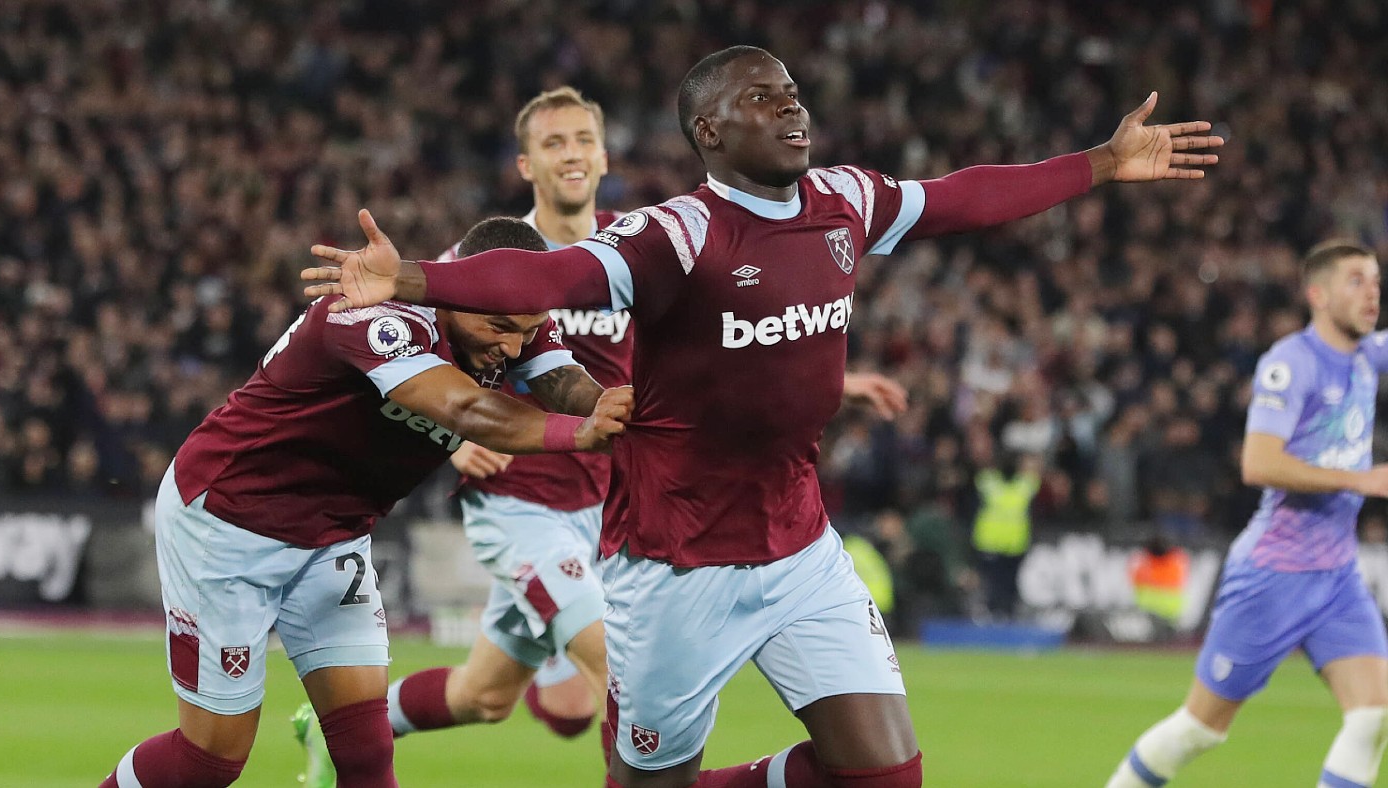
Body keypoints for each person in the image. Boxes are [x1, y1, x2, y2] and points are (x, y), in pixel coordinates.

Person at [302, 45, 1221, 788]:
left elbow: (962, 197)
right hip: (675, 562)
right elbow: (552, 274)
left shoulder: (844, 201)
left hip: (799, 546)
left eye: (791, 92)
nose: (791, 107)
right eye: (761, 97)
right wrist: (410, 278)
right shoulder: (676, 235)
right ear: (709, 130)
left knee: (887, 773)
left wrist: (1101, 164)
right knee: (635, 770)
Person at [293, 84, 913, 788]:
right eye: (553, 143)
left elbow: (725, 337)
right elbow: (422, 358)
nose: (572, 154)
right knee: (615, 667)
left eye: (583, 139)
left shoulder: (645, 242)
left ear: (604, 154)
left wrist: (834, 381)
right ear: (525, 164)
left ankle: (333, 727)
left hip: (617, 503)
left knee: (484, 696)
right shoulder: (489, 257)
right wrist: (453, 435)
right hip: (522, 509)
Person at [99, 217, 633, 788]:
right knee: (209, 761)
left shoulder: (513, 323)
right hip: (231, 519)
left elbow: (561, 381)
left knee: (366, 752)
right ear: (459, 287)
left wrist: (620, 410)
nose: (513, 346)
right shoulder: (373, 316)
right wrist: (583, 434)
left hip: (334, 533)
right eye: (501, 327)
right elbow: (466, 410)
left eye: (528, 330)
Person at [1105, 242, 1388, 788]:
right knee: (1200, 729)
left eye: (1376, 281)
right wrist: (1360, 479)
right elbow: (1258, 463)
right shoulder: (1291, 364)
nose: (1372, 293)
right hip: (1273, 576)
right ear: (1318, 294)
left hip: (1337, 578)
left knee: (1372, 716)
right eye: (1356, 281)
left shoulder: (1365, 357)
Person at [971, 453, 1041, 620]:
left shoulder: (1026, 484)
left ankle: (1007, 614)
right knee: (991, 583)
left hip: (1013, 544)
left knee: (1009, 584)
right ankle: (989, 612)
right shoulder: (987, 481)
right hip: (990, 542)